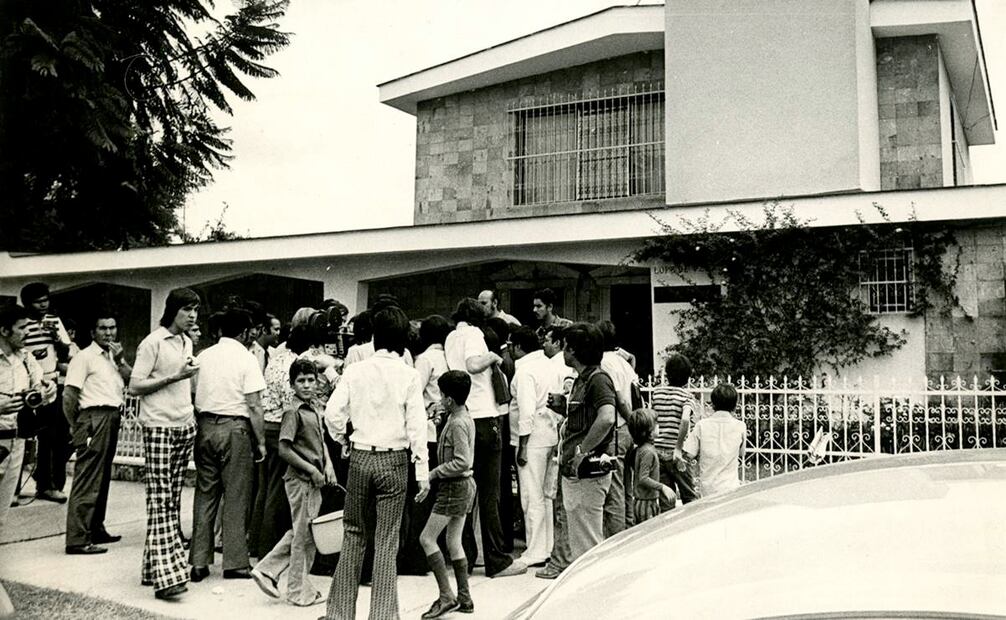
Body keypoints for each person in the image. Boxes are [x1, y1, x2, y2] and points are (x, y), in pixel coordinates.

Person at [323, 306, 430, 620]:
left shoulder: (355, 370)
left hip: (359, 455)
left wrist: (343, 440)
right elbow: (417, 426)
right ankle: (382, 615)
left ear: (374, 337)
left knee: (353, 533)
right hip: (394, 459)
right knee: (386, 540)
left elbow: (332, 414)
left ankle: (339, 614)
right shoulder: (409, 375)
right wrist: (422, 471)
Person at [129, 288, 201, 600]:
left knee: (171, 499)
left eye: (196, 310)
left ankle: (151, 568)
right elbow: (134, 386)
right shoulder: (152, 342)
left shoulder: (186, 341)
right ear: (173, 310)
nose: (193, 316)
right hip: (158, 426)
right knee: (160, 500)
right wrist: (174, 376)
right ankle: (169, 577)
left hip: (184, 424)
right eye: (187, 310)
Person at [445, 298, 525, 578]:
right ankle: (496, 560)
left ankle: (466, 557)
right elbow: (473, 364)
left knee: (465, 490)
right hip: (484, 418)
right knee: (490, 494)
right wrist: (492, 357)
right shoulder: (474, 334)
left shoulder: (451, 337)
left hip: (463, 416)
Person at [189, 308, 267, 582]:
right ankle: (234, 563)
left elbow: (192, 392)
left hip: (205, 426)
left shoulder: (203, 356)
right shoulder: (247, 359)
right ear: (244, 333)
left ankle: (199, 561)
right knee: (236, 496)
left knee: (205, 494)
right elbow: (254, 405)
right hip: (235, 428)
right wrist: (261, 442)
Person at [252, 359, 336, 607]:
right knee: (303, 537)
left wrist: (328, 466)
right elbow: (284, 449)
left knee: (305, 531)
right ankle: (298, 591)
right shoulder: (293, 412)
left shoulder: (313, 408)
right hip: (300, 480)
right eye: (301, 381)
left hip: (314, 479)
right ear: (292, 385)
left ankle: (268, 570)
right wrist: (312, 469)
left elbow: (320, 442)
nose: (307, 385)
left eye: (311, 380)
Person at [0, 304, 56, 618]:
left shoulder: (26, 359)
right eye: (21, 328)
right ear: (4, 330)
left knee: (0, 518)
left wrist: (46, 391)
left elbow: (42, 391)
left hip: (15, 442)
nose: (27, 333)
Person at [63, 312, 132, 554]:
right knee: (88, 479)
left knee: (102, 477)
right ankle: (77, 539)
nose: (109, 333)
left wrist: (121, 360)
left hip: (112, 415)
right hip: (92, 416)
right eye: (103, 328)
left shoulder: (113, 357)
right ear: (93, 332)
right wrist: (77, 425)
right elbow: (69, 395)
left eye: (112, 327)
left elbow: (132, 381)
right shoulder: (84, 357)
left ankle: (95, 529)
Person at [552, 322, 615, 562]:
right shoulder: (583, 379)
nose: (563, 351)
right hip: (578, 473)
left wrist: (582, 451)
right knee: (581, 540)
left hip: (586, 473)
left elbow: (607, 417)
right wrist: (564, 407)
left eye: (565, 346)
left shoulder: (597, 380)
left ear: (574, 350)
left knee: (587, 545)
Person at [418, 370, 477, 618]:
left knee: (427, 539)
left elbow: (462, 461)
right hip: (464, 486)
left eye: (442, 396)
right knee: (454, 542)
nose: (440, 400)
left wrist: (433, 473)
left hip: (454, 487)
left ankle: (446, 596)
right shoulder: (461, 416)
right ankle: (464, 597)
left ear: (450, 399)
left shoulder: (457, 424)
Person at [249, 325, 311, 559]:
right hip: (279, 427)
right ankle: (268, 547)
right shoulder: (294, 365)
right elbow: (291, 401)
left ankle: (255, 542)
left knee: (264, 489)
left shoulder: (276, 358)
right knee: (277, 492)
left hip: (266, 425)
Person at [400, 314, 451, 575]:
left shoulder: (426, 359)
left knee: (420, 499)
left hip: (427, 432)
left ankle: (416, 557)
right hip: (443, 433)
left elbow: (413, 393)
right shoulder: (449, 357)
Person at [508, 327, 558, 567]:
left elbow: (526, 410)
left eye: (511, 345)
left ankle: (535, 551)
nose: (509, 349)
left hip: (532, 437)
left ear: (519, 346)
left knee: (531, 495)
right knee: (546, 495)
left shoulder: (525, 371)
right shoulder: (549, 365)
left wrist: (522, 445)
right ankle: (547, 546)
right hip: (549, 433)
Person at [19, 282, 73, 504]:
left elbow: (66, 353)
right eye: (38, 302)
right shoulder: (21, 324)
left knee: (54, 436)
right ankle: (12, 488)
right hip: (25, 385)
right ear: (27, 304)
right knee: (22, 436)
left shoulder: (54, 321)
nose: (43, 305)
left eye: (46, 300)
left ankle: (49, 485)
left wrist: (57, 339)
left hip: (51, 383)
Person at [534, 325, 574, 580]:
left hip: (567, 445)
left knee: (561, 505)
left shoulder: (565, 371)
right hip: (563, 442)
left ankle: (560, 559)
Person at [597, 320, 638, 536]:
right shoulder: (622, 362)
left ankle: (616, 536)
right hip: (627, 430)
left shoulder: (605, 363)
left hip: (617, 428)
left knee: (614, 488)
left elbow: (620, 399)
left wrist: (630, 420)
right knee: (626, 485)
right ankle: (628, 528)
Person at [683, 383, 746, 497]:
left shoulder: (701, 425)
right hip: (731, 487)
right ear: (735, 405)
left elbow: (689, 454)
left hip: (708, 489)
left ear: (713, 404)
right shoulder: (740, 426)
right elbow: (742, 453)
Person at [651, 353, 698, 506]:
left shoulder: (657, 393)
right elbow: (685, 419)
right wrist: (678, 447)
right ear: (687, 377)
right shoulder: (687, 396)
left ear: (667, 374)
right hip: (678, 455)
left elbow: (652, 418)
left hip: (658, 451)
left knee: (666, 499)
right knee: (690, 497)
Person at [627, 408, 675, 524]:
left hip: (644, 502)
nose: (658, 426)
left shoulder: (643, 449)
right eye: (656, 424)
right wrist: (662, 487)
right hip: (646, 503)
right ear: (648, 432)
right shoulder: (648, 452)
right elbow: (643, 478)